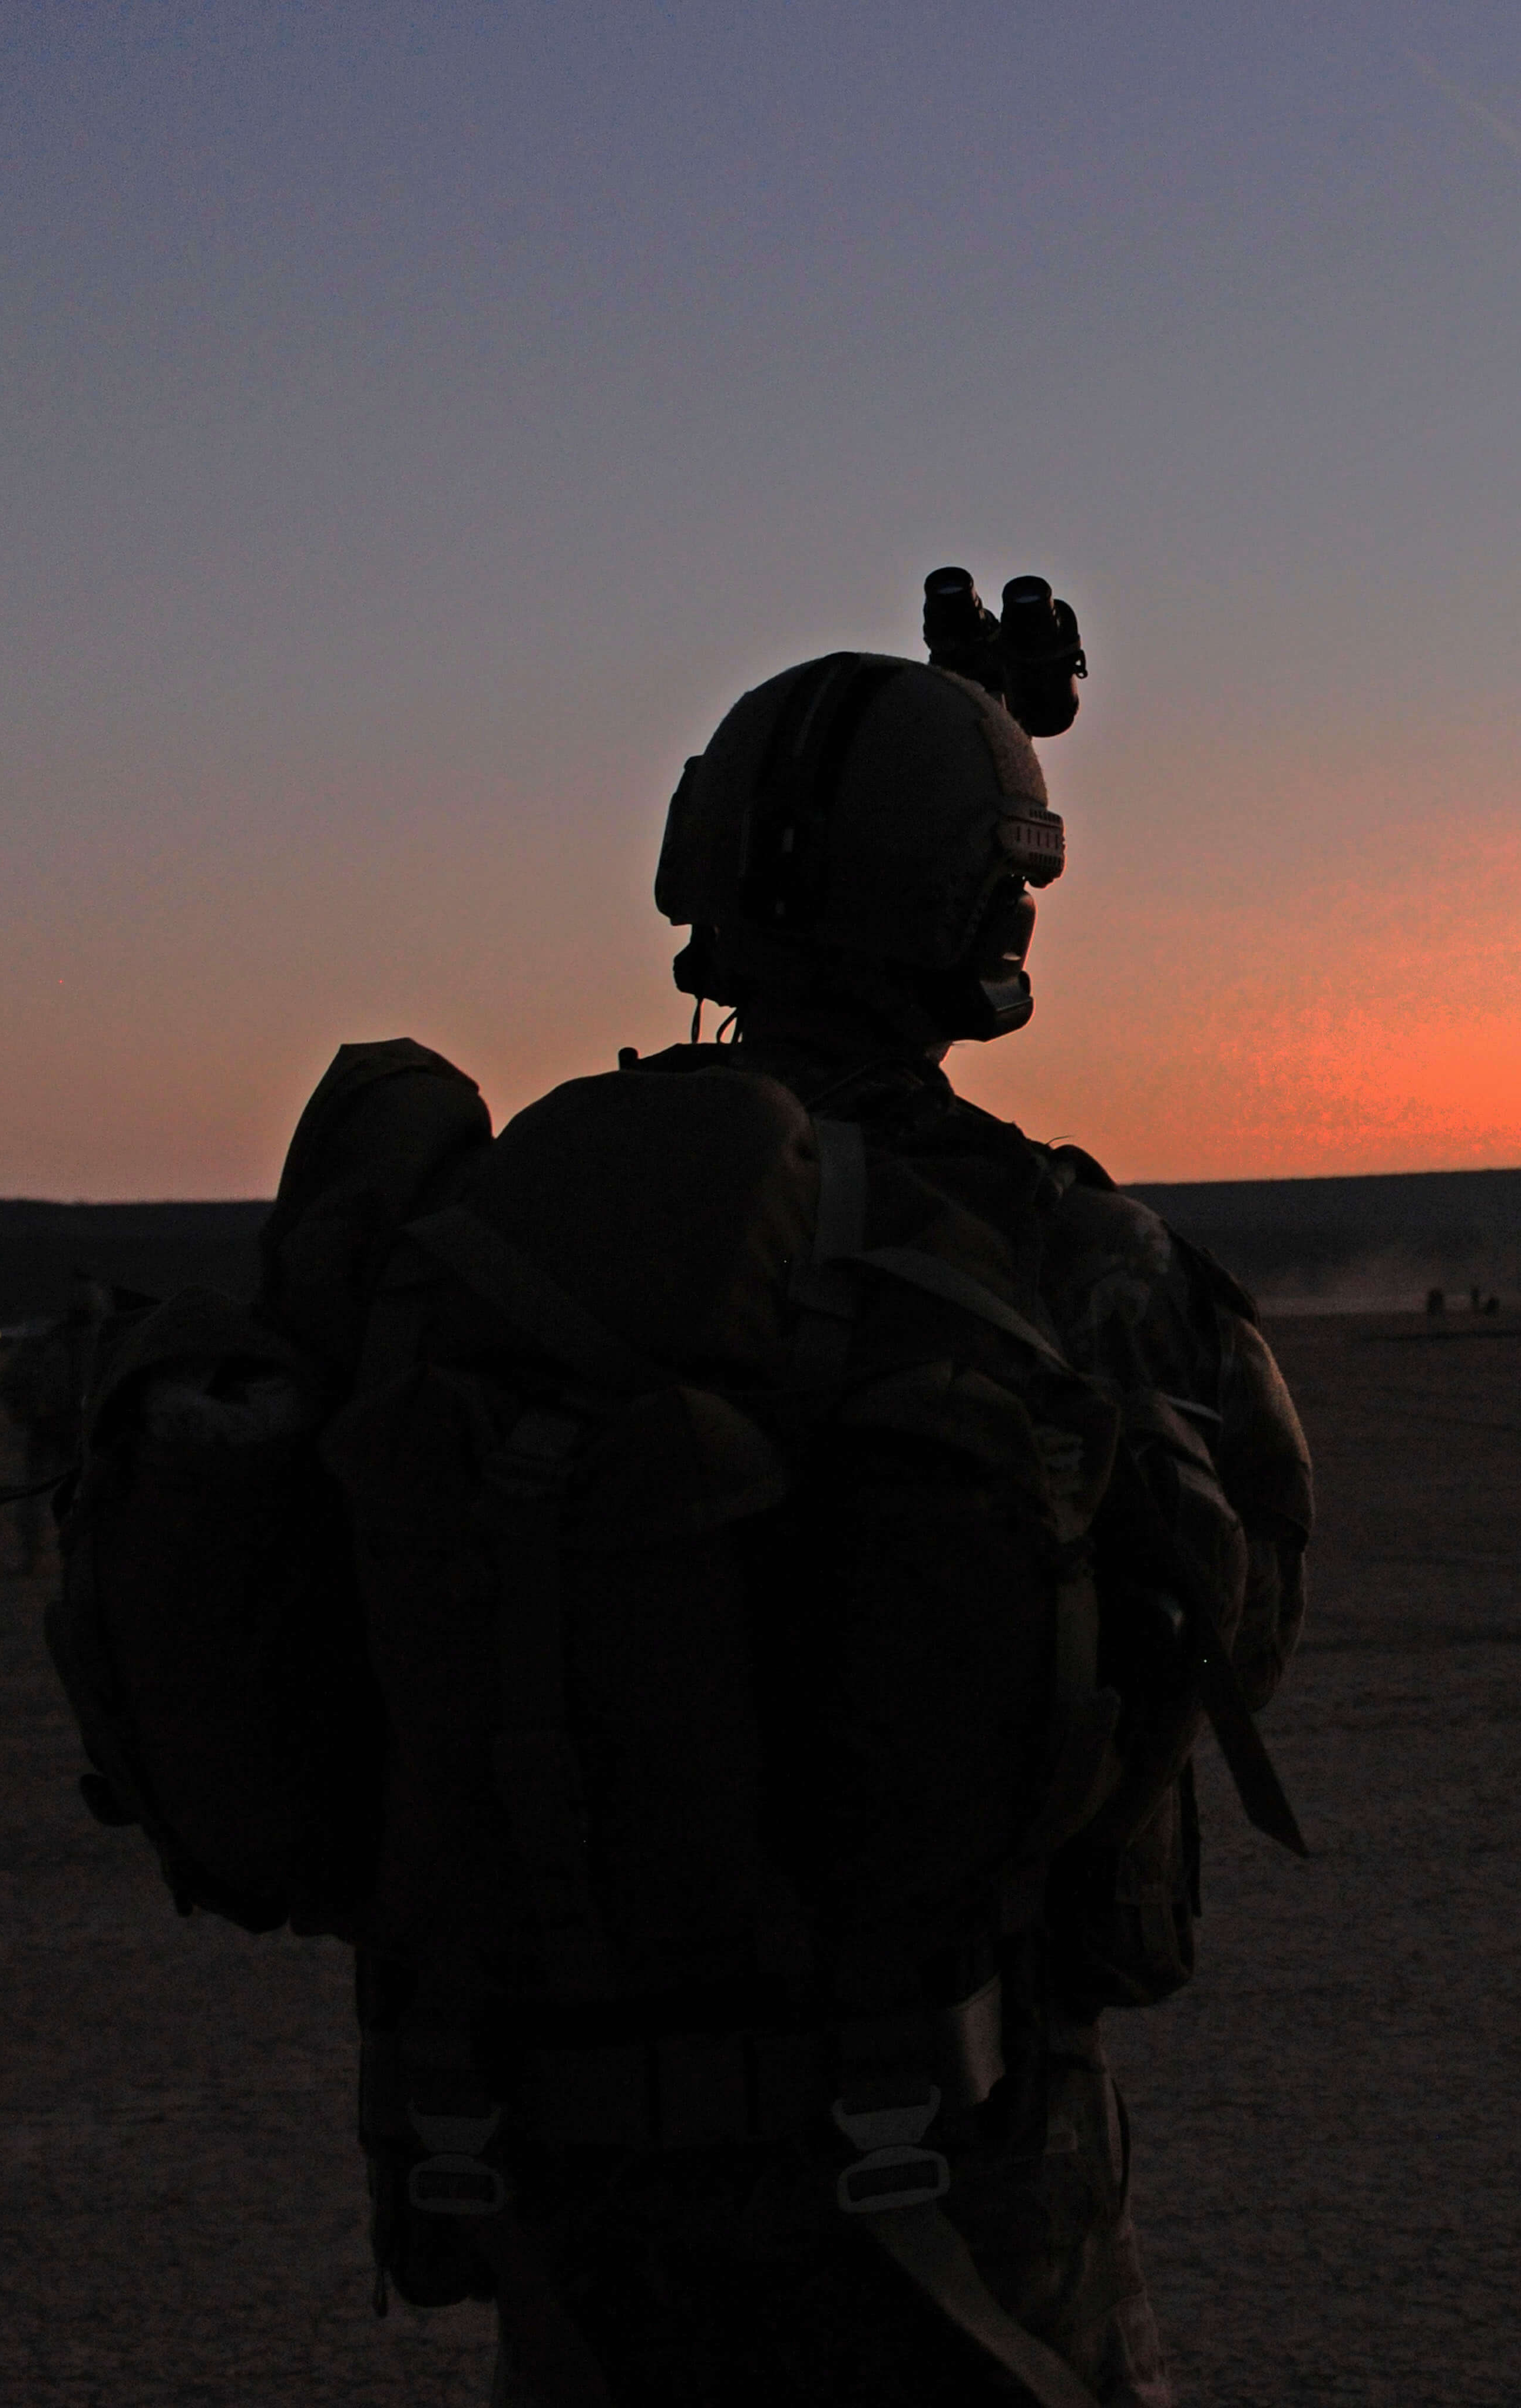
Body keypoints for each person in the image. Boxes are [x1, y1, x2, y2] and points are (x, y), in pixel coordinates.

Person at [365, 650, 1311, 2407]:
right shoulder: (1065, 1254)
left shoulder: (513, 1235)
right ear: (968, 908)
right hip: (953, 2177)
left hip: (583, 2198)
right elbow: (1234, 1625)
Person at [0, 1270, 104, 1572]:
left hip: (79, 1430)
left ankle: (58, 1558)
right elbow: (11, 1381)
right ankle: (39, 1557)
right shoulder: (56, 1340)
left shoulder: (98, 1341)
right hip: (56, 1428)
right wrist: (23, 1412)